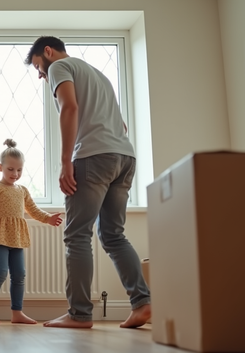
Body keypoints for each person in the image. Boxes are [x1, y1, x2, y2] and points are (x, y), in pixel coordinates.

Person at [25, 36, 151, 329]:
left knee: (77, 235)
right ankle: (142, 304)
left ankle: (79, 314)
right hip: (124, 157)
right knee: (113, 235)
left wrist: (66, 160)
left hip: (93, 158)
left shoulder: (60, 67)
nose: (41, 75)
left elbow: (69, 108)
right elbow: (122, 126)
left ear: (47, 52)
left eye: (38, 68)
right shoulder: (98, 75)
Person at [0, 139, 63, 325]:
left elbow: (33, 210)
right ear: (0, 167)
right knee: (0, 272)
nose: (15, 174)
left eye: (19, 170)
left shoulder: (22, 190)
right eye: (10, 169)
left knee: (19, 275)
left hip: (16, 238)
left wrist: (48, 218)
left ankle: (17, 312)